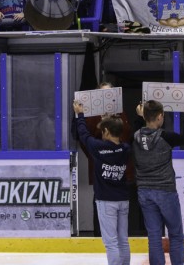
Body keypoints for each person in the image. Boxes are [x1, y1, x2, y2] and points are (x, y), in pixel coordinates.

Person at [133, 99, 184, 265]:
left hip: (144, 191)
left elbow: (137, 128)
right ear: (160, 116)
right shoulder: (166, 137)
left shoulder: (136, 136)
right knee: (175, 234)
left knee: (154, 236)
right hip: (165, 190)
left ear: (144, 116)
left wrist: (140, 117)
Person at [73, 102, 131, 265]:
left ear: (106, 132)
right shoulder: (125, 148)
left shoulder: (98, 147)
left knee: (111, 242)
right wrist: (110, 120)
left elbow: (83, 134)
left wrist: (80, 115)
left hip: (106, 201)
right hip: (123, 199)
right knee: (123, 240)